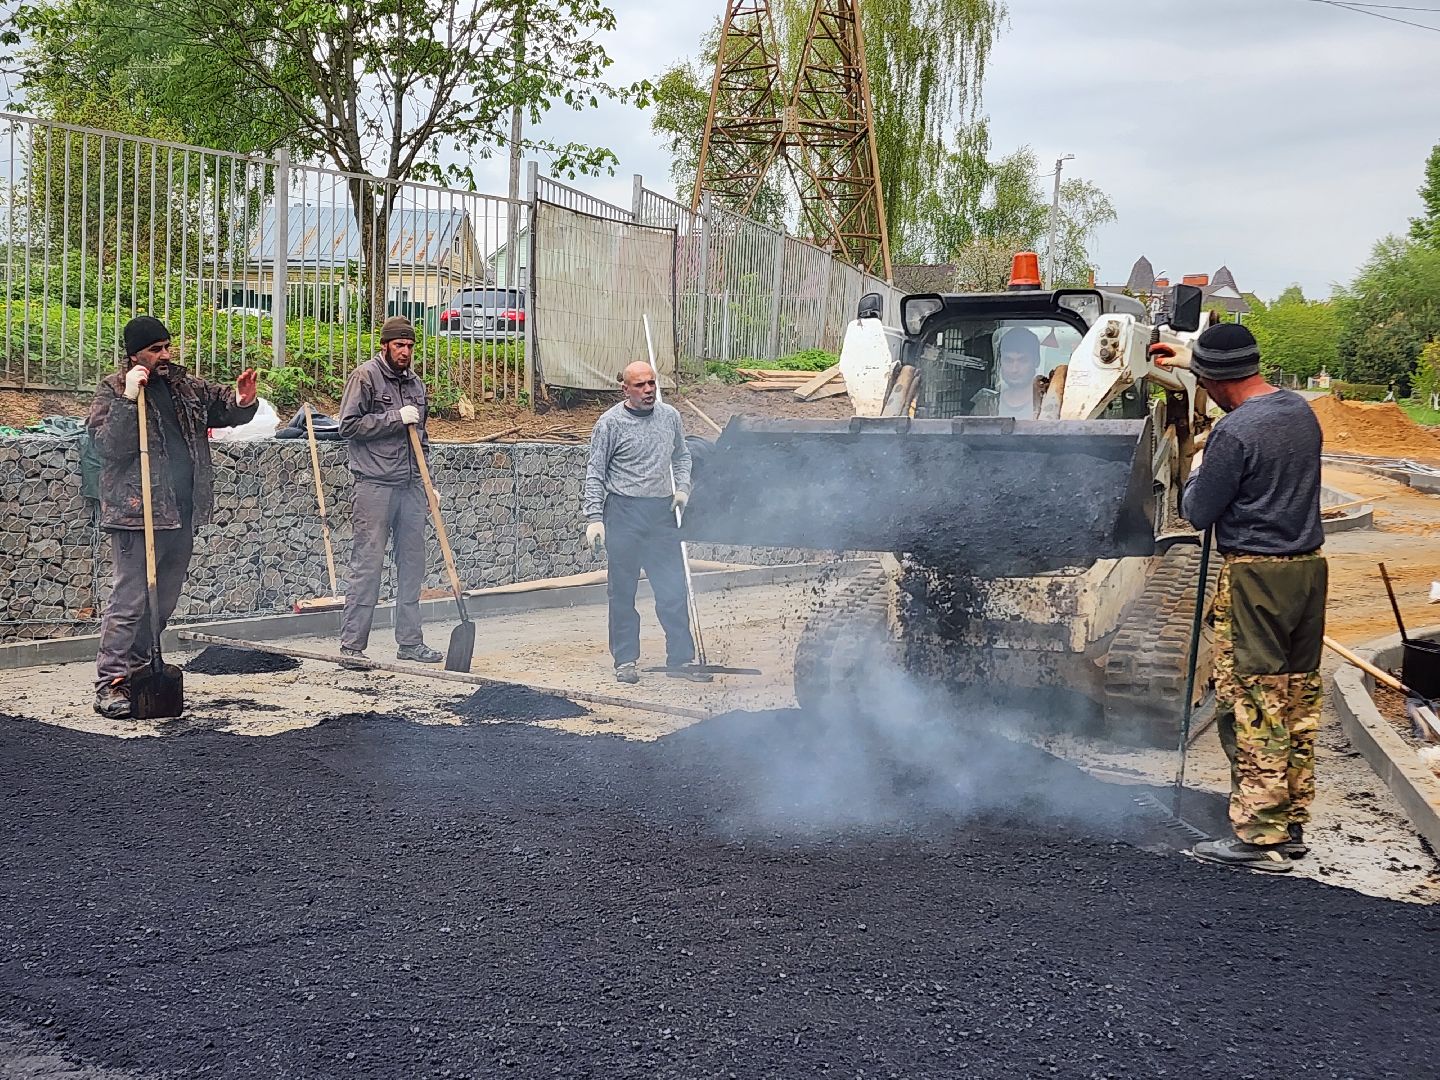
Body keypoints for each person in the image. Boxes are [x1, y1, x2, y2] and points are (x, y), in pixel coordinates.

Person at [1155, 323, 1327, 873]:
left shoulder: (1233, 435)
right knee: (1296, 696)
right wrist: (1188, 360)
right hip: (1307, 571)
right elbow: (1239, 386)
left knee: (1252, 700)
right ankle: (1289, 820)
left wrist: (1197, 462)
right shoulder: (1298, 411)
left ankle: (1258, 838)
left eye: (1202, 377)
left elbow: (1198, 510)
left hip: (1256, 577)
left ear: (1214, 381)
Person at [88, 316, 258, 719]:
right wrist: (129, 401)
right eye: (155, 349)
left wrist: (243, 400)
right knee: (129, 602)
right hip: (137, 513)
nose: (165, 355)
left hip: (180, 511)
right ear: (134, 354)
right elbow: (107, 447)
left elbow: (224, 408)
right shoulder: (113, 390)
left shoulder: (185, 386)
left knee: (162, 602)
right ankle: (110, 683)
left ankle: (143, 669)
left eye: (167, 346)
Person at [583, 361, 711, 685]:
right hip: (623, 512)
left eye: (652, 383)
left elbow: (682, 457)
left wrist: (683, 488)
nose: (649, 390)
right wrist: (595, 519)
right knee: (622, 592)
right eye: (640, 385)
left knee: (672, 588)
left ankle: (680, 660)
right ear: (625, 389)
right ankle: (625, 659)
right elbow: (595, 472)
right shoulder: (610, 424)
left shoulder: (670, 417)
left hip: (661, 512)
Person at [337, 316, 443, 666]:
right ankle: (352, 647)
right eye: (399, 345)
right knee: (368, 563)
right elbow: (348, 426)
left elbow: (421, 439)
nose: (405, 352)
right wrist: (396, 417)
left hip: (411, 486)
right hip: (375, 486)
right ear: (384, 346)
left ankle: (410, 643)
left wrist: (429, 483)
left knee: (413, 564)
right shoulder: (364, 377)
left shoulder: (415, 384)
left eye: (410, 346)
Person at [995, 327, 1043, 419]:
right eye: (1008, 360)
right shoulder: (987, 404)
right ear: (1000, 362)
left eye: (1023, 360)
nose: (1014, 369)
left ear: (1036, 361)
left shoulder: (1047, 404)